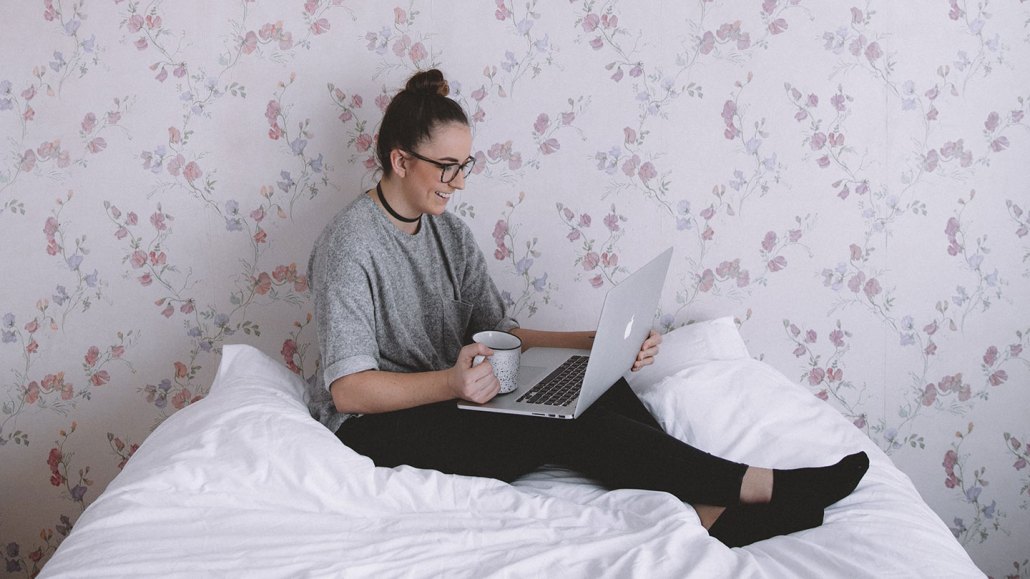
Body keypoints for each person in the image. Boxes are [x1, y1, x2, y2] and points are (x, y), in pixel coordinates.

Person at [307, 68, 869, 547]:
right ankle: (759, 485)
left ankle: (709, 511)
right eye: (446, 166)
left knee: (588, 384)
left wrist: (597, 344)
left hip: (458, 396)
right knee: (562, 420)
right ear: (401, 161)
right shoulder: (350, 244)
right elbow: (349, 390)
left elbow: (501, 332)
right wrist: (452, 386)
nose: (458, 182)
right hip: (378, 428)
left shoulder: (449, 235)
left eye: (466, 165)